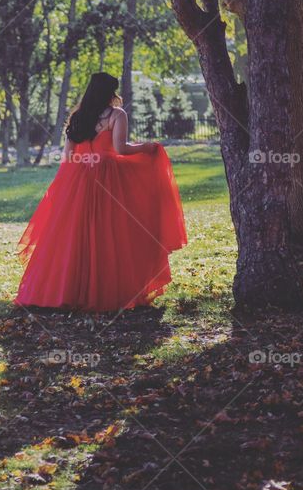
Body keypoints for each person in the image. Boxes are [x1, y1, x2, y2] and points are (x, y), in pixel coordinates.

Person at [15, 72, 187, 312]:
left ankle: (66, 291)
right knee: (110, 231)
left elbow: (68, 156)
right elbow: (121, 149)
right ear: (111, 93)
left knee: (72, 234)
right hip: (108, 178)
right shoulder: (117, 115)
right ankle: (108, 291)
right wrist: (148, 148)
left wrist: (76, 175)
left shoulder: (77, 117)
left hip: (77, 179)